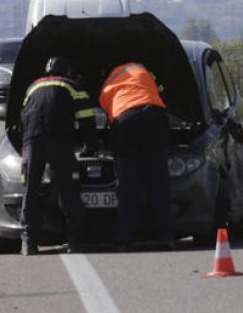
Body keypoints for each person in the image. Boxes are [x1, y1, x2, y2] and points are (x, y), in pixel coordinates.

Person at [20, 56, 96, 256]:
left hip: (32, 141)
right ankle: (76, 243)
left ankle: (29, 244)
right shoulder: (73, 87)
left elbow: (23, 117)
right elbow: (87, 120)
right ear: (68, 71)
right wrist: (90, 145)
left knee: (31, 190)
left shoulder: (33, 87)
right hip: (59, 142)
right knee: (69, 191)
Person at [98, 60, 173, 251]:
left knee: (127, 186)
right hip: (155, 119)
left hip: (126, 122)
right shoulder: (141, 70)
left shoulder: (107, 87)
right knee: (159, 183)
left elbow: (111, 117)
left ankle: (124, 240)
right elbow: (161, 91)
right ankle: (166, 236)